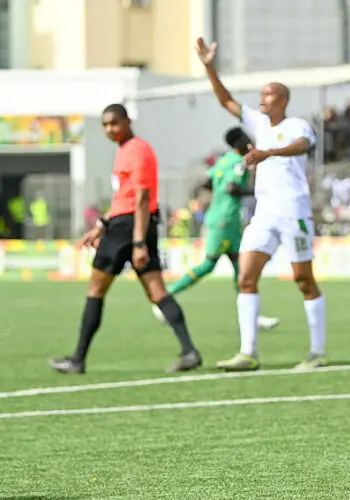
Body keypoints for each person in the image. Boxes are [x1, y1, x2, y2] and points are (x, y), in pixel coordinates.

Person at [195, 38, 326, 371]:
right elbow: (225, 100)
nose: (261, 99)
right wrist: (209, 66)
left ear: (282, 99)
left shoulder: (297, 125)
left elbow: (301, 146)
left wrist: (268, 153)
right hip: (264, 214)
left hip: (293, 211)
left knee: (303, 280)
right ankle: (248, 353)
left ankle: (317, 352)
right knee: (246, 278)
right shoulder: (257, 122)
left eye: (267, 94)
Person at [48, 104, 202, 374]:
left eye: (114, 123)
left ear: (127, 121)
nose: (110, 129)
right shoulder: (124, 151)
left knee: (96, 290)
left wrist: (138, 242)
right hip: (126, 224)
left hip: (128, 229)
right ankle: (189, 351)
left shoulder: (137, 150)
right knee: (157, 292)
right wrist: (101, 225)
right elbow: (125, 198)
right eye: (106, 125)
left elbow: (141, 198)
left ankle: (78, 359)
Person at [152, 127, 280, 331]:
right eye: (245, 137)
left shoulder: (223, 160)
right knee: (209, 265)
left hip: (223, 219)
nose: (249, 139)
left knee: (241, 268)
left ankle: (251, 316)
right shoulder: (239, 162)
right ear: (238, 141)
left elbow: (206, 182)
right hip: (225, 221)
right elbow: (232, 188)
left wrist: (218, 195)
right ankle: (165, 297)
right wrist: (258, 191)